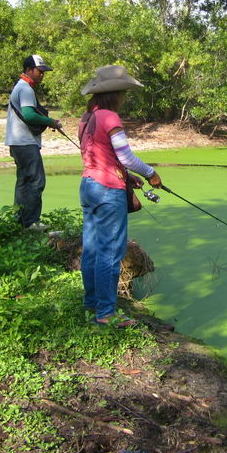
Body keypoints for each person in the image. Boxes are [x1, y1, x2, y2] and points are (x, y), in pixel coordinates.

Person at [78, 65, 163, 327]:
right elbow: (126, 156)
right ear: (115, 94)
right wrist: (150, 173)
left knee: (91, 249)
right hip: (107, 192)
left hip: (88, 186)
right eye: (124, 92)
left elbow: (103, 156)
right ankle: (106, 314)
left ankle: (92, 302)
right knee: (110, 252)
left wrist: (127, 177)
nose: (125, 97)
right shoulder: (110, 118)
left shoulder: (86, 118)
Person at [5, 54, 63, 231]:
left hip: (16, 142)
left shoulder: (20, 86)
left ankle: (20, 221)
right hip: (25, 143)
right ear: (29, 70)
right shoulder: (26, 89)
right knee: (36, 181)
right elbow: (29, 115)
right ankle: (31, 222)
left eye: (44, 71)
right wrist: (51, 122)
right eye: (39, 71)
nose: (42, 74)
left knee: (23, 181)